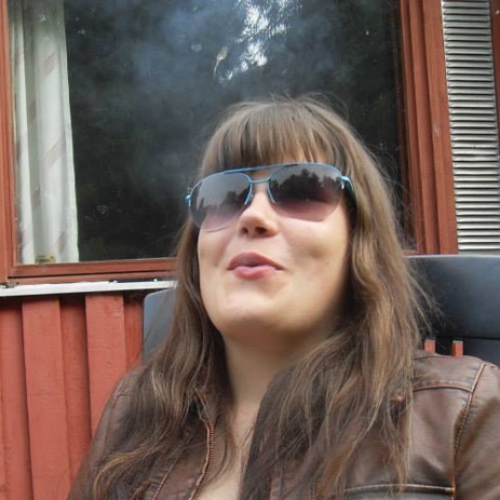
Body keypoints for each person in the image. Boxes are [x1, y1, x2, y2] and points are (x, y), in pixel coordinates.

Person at [68, 96, 500, 500]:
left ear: (358, 240)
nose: (253, 215)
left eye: (302, 190)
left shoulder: (463, 413)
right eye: (223, 196)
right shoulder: (134, 411)